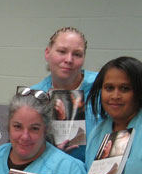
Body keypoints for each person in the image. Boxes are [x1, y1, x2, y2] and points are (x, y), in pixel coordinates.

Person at [28, 27, 98, 162]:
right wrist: (46, 151)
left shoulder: (103, 87)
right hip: (54, 172)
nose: (69, 59)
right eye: (62, 51)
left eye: (77, 54)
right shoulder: (35, 96)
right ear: (47, 53)